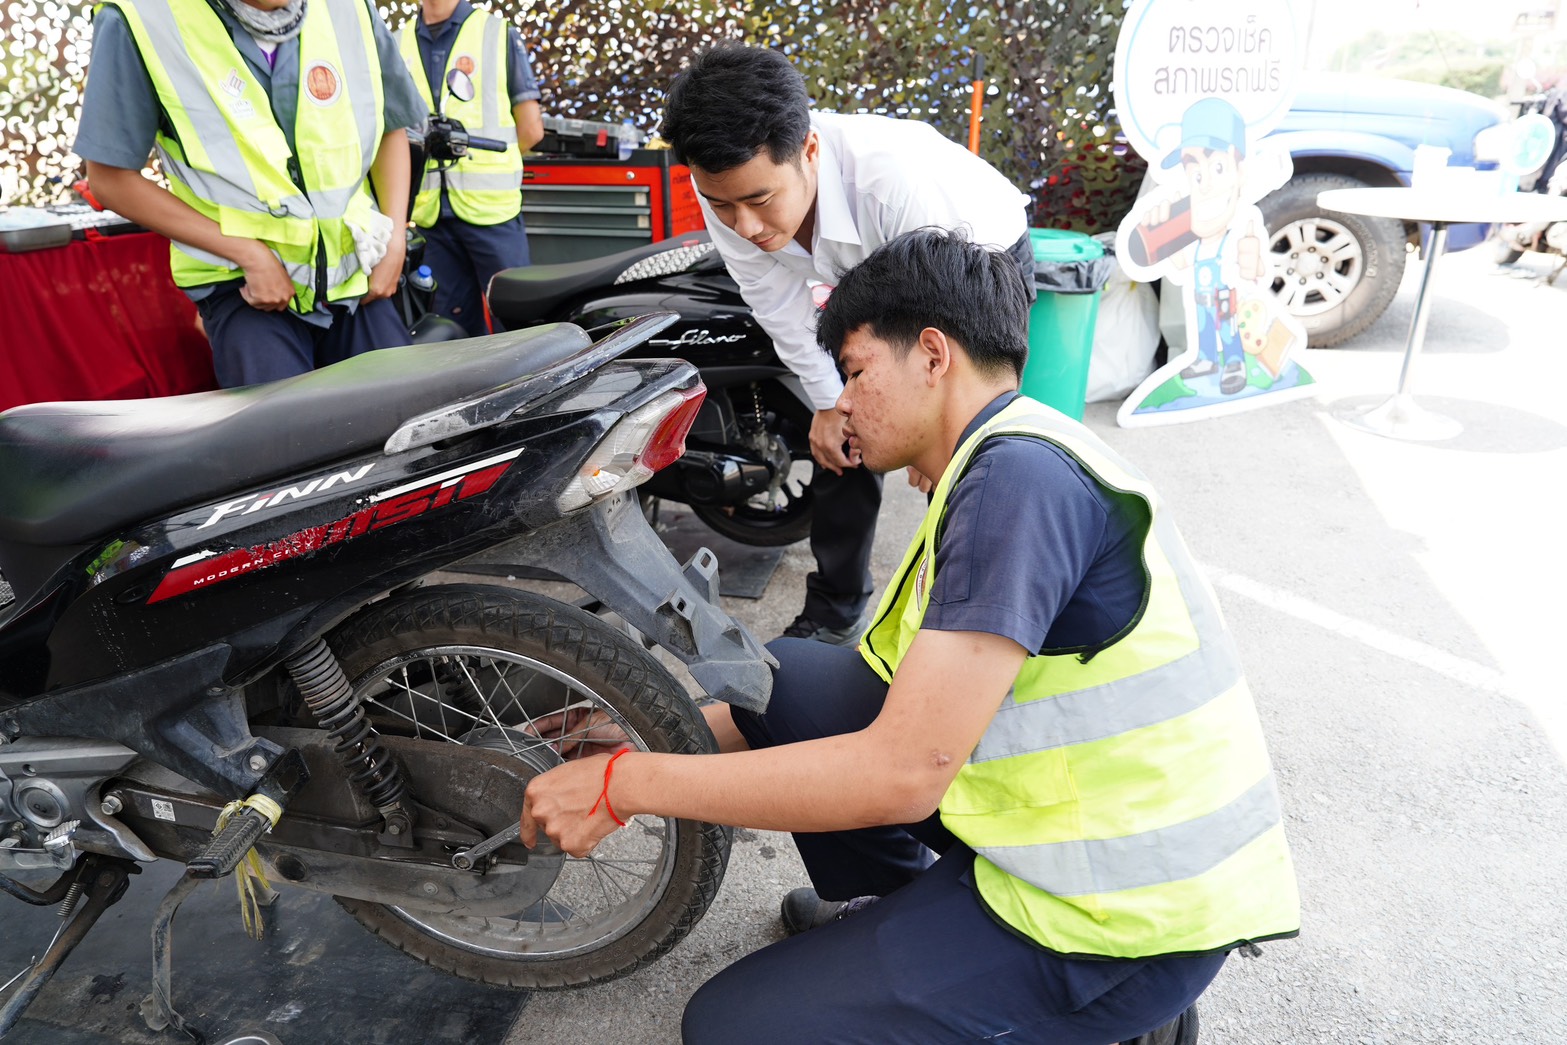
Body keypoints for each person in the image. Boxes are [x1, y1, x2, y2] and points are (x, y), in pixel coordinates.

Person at [520, 228, 1301, 1044]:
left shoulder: (1016, 483)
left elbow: (900, 772)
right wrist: (642, 730)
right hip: (1069, 840)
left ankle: (1108, 1023)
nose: (842, 402)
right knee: (789, 678)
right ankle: (898, 911)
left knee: (733, 1029)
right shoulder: (1004, 454)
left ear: (932, 354)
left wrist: (626, 783)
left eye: (856, 372)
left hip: (1115, 919)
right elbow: (875, 698)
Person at [659, 44, 1037, 646]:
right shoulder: (732, 197)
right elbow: (779, 309)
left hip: (972, 265)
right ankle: (836, 611)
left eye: (760, 201)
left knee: (969, 456)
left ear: (809, 150)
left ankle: (972, 620)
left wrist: (935, 433)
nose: (744, 226)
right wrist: (830, 405)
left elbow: (943, 333)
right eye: (721, 204)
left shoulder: (899, 186)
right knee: (843, 430)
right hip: (865, 275)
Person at [74, 0, 428, 389]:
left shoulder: (350, 8)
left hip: (355, 274)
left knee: (407, 409)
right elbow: (110, 180)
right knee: (287, 424)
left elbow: (390, 124)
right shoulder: (139, 19)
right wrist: (248, 254)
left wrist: (395, 238)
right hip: (244, 287)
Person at [398, 0, 545, 337]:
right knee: (450, 337)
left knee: (520, 330)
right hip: (431, 214)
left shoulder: (497, 34)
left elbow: (531, 130)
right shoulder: (397, 41)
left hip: (491, 210)